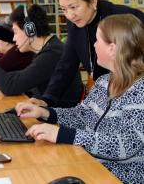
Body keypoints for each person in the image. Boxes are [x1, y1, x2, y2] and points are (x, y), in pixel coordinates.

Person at [16, 14, 144, 184]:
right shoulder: (104, 81)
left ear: (112, 49)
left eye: (98, 40)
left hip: (120, 177)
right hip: (90, 164)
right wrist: (46, 113)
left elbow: (127, 145)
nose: (94, 45)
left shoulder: (140, 90)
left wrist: (65, 135)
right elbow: (82, 115)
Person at [30, 0, 144, 108]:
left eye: (73, 7)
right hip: (104, 90)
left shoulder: (126, 18)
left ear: (93, 0)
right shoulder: (75, 23)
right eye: (64, 9)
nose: (70, 15)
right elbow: (67, 63)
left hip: (134, 95)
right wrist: (47, 99)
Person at [0, 4, 82, 103]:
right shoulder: (48, 48)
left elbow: (10, 86)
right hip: (46, 110)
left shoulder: (52, 54)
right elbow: (20, 76)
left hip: (57, 119)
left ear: (29, 30)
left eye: (16, 32)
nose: (13, 38)